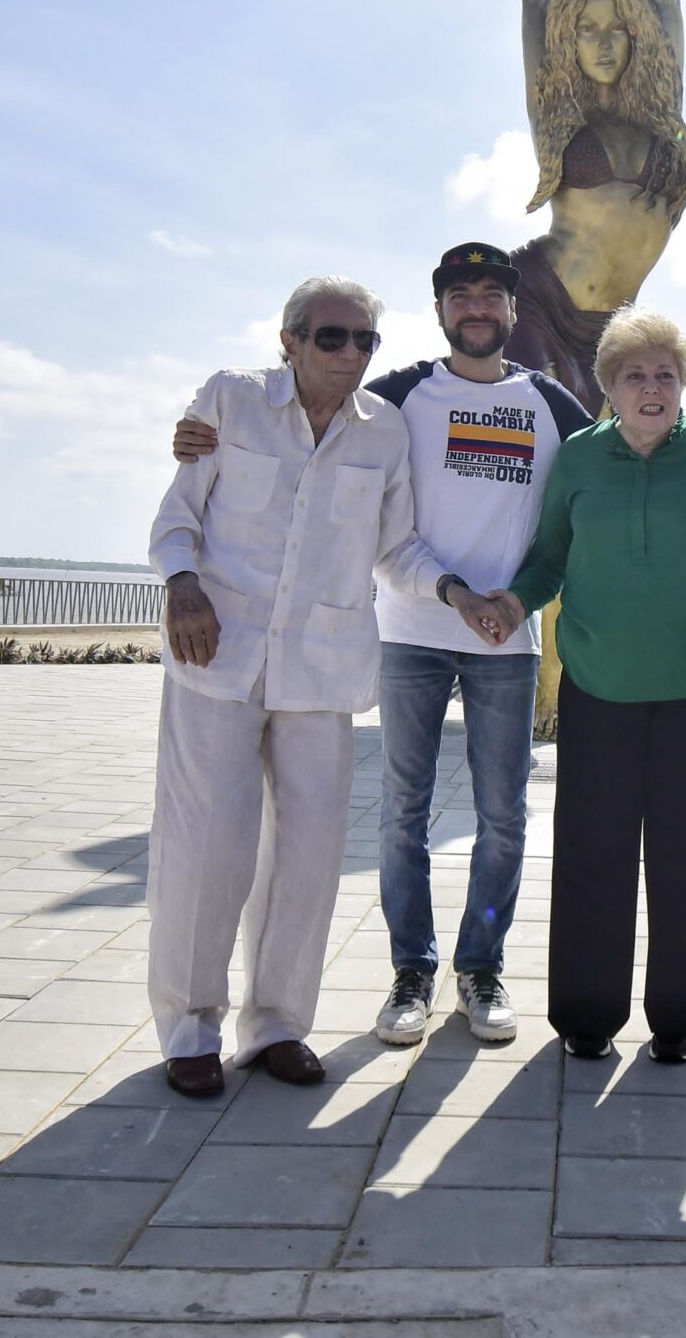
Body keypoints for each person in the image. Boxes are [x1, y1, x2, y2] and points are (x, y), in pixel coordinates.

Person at [173, 243, 590, 1048]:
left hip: (508, 640)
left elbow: (612, 469)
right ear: (439, 313)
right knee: (404, 813)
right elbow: (302, 414)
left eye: (491, 297)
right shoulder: (398, 395)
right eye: (459, 296)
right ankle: (412, 972)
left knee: (504, 817)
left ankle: (482, 967)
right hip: (410, 636)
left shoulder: (551, 403)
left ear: (513, 313)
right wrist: (198, 435)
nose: (476, 308)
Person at [146, 275, 505, 1098]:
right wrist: (181, 585)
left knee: (308, 858)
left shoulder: (384, 434)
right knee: (208, 851)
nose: (349, 353)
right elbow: (177, 517)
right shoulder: (229, 402)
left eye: (364, 340)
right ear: (290, 340)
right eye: (330, 337)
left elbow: (399, 548)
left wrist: (457, 594)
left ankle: (277, 1027)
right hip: (218, 657)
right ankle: (191, 1029)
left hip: (324, 667)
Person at [485, 308, 686, 1065]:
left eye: (666, 374)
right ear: (609, 388)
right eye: (635, 375)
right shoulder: (578, 458)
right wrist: (511, 602)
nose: (652, 387)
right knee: (592, 854)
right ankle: (586, 1017)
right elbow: (548, 559)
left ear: (683, 385)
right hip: (598, 687)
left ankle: (681, 1020)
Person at [504, 0, 686, 412]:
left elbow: (666, 3)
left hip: (615, 325)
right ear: (570, 41)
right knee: (545, 439)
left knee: (601, 456)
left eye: (616, 29)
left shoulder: (664, 119)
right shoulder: (559, 121)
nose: (604, 43)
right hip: (537, 297)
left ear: (637, 38)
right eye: (587, 31)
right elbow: (535, 2)